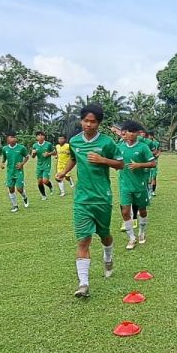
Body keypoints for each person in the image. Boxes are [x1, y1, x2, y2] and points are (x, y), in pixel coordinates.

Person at [55, 105, 124, 298]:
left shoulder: (107, 142)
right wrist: (64, 172)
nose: (88, 124)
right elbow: (74, 159)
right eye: (85, 120)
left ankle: (108, 258)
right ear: (81, 121)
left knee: (104, 235)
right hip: (82, 199)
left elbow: (120, 164)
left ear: (99, 123)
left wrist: (103, 160)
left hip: (102, 198)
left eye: (92, 121)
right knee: (84, 239)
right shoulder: (74, 142)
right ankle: (83, 284)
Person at [116, 120, 156, 249]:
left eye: (134, 132)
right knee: (126, 212)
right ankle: (131, 238)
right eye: (129, 132)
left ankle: (142, 232)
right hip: (125, 185)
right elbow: (114, 160)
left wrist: (139, 165)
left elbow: (152, 163)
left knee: (142, 211)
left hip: (140, 185)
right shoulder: (120, 147)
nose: (132, 134)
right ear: (125, 133)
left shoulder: (143, 147)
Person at [1, 133, 30, 212]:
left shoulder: (21, 148)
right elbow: (4, 158)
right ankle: (15, 206)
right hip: (10, 172)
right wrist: (2, 164)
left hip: (19, 171)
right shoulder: (5, 149)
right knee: (11, 189)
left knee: (20, 189)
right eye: (11, 137)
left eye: (15, 137)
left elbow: (27, 156)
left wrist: (22, 163)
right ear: (7, 139)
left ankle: (25, 197)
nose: (13, 139)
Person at [31, 131, 55, 201]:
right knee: (39, 182)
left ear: (44, 137)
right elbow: (32, 156)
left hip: (47, 164)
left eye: (42, 135)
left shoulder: (48, 144)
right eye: (38, 135)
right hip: (39, 165)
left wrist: (49, 154)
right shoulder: (35, 145)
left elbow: (54, 152)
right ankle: (43, 195)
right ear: (36, 137)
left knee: (45, 181)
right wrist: (33, 153)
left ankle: (50, 186)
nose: (40, 137)